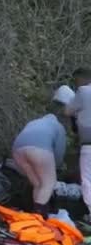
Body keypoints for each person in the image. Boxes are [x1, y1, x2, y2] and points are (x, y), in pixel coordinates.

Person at [11, 101, 67, 217]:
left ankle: (35, 215)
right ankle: (39, 215)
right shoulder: (58, 127)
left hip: (17, 150)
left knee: (38, 184)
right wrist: (56, 167)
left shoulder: (34, 122)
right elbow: (59, 152)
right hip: (39, 149)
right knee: (49, 183)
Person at [65, 67, 91, 217]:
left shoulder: (83, 91)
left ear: (82, 79)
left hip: (89, 144)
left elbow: (68, 111)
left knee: (88, 180)